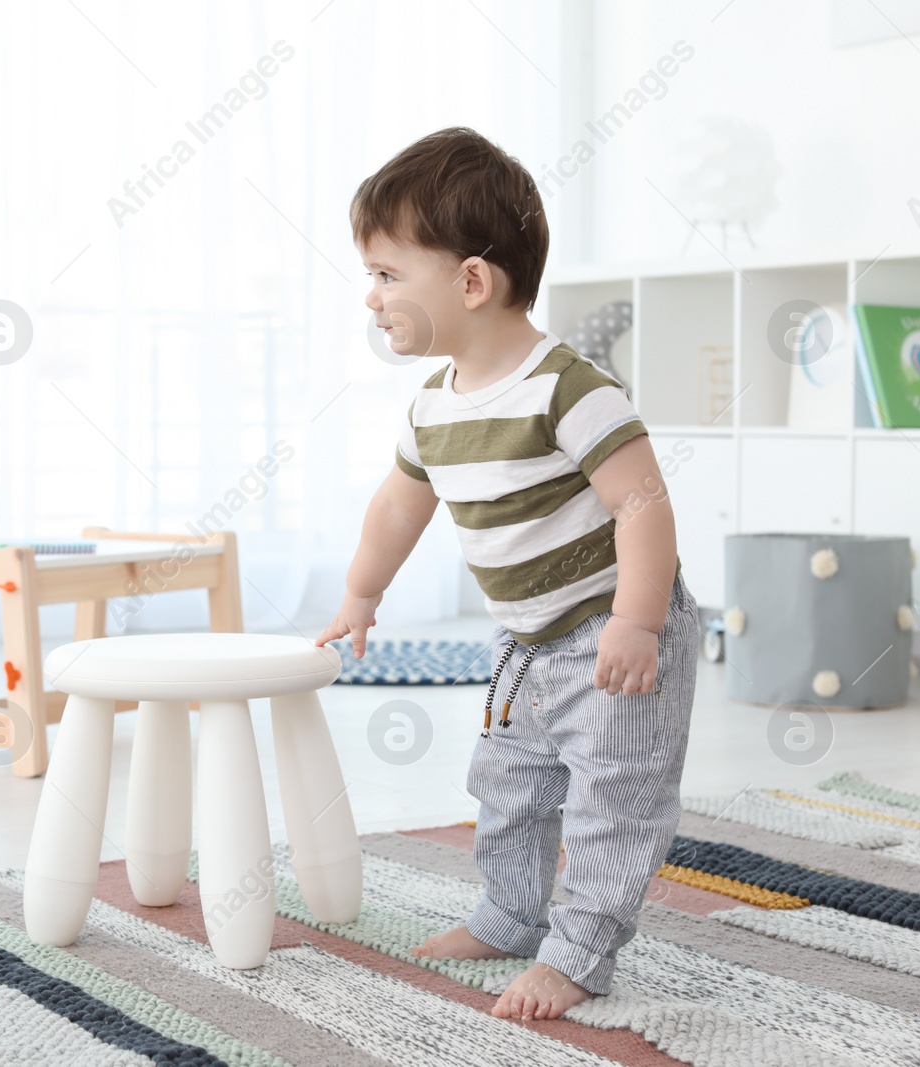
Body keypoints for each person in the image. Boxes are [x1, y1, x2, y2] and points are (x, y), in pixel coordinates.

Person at [315, 127, 699, 1021]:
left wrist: (637, 621)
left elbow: (645, 505)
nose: (371, 298)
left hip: (613, 627)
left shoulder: (571, 389)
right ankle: (511, 912)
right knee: (509, 779)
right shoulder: (433, 405)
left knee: (616, 795)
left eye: (386, 275)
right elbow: (396, 508)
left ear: (473, 281)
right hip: (525, 643)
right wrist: (361, 593)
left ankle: (581, 951)